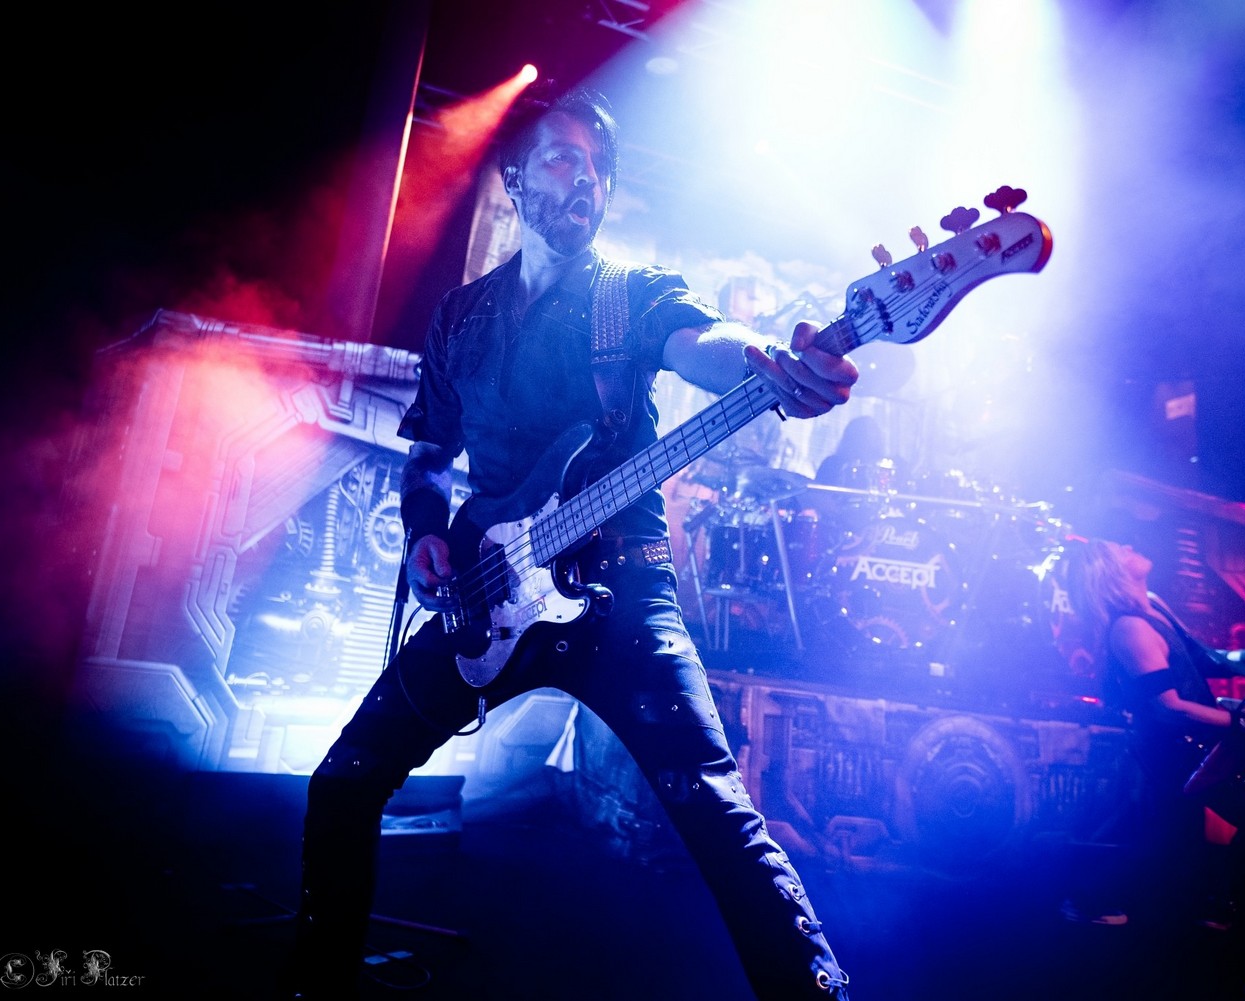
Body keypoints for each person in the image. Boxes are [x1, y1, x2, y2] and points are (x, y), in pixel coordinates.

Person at [279, 85, 857, 999]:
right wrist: (425, 533)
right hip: (490, 591)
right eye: (559, 157)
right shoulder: (461, 317)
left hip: (624, 597)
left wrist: (768, 363)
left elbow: (703, 340)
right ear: (514, 180)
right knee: (344, 781)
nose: (583, 177)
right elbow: (429, 453)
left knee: (719, 816)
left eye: (597, 167)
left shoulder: (629, 295)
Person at [1060, 537, 1245, 1001]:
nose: (1128, 543)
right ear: (1108, 569)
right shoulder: (1129, 630)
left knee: (1173, 844)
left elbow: (1208, 659)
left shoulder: (1152, 603)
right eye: (1118, 547)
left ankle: (1101, 899)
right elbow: (1169, 708)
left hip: (1196, 749)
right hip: (1177, 755)